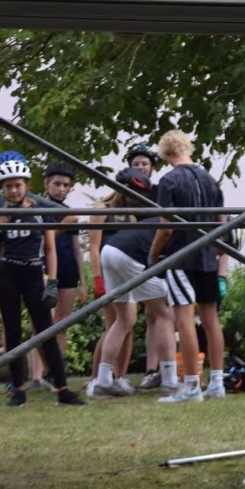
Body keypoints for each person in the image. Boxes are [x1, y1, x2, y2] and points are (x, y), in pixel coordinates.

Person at [0, 152, 85, 408]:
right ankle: (19, 391)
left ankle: (63, 390)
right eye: (8, 186)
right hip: (7, 276)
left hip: (34, 273)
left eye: (18, 185)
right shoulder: (0, 215)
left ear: (26, 185)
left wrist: (53, 281)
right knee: (12, 333)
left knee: (46, 332)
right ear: (2, 188)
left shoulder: (39, 210)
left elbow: (50, 249)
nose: (13, 190)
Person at [147, 130, 226, 403]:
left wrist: (154, 255)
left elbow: (165, 226)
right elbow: (222, 221)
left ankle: (192, 386)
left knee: (184, 319)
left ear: (166, 154)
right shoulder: (210, 179)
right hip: (207, 257)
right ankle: (217, 383)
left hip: (180, 257)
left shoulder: (168, 180)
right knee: (211, 320)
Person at [87, 169, 173, 398]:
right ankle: (97, 379)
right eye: (134, 191)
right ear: (122, 189)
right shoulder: (102, 209)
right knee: (162, 314)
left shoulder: (136, 211)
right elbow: (93, 246)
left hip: (121, 257)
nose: (137, 196)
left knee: (127, 320)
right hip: (115, 262)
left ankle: (111, 379)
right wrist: (97, 280)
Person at [34, 163, 85, 388]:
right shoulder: (35, 209)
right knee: (40, 325)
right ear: (46, 184)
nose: (61, 188)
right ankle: (37, 374)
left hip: (67, 269)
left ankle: (56, 371)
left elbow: (77, 248)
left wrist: (83, 281)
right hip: (41, 270)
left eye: (66, 185)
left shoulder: (70, 214)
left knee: (61, 324)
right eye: (57, 184)